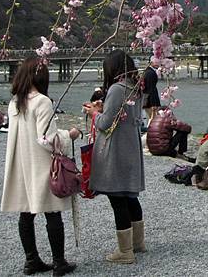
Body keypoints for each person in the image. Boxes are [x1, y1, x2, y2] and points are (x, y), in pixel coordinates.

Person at [0, 57, 80, 276]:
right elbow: (46, 139)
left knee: (26, 214)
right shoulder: (42, 101)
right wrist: (70, 135)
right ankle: (59, 262)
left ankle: (31, 260)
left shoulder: (16, 101)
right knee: (52, 213)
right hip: (41, 165)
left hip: (22, 164)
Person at [83, 50, 145, 265]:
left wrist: (94, 113)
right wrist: (103, 109)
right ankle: (138, 243)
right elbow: (123, 115)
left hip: (117, 149)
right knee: (130, 196)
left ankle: (125, 251)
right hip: (131, 147)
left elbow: (104, 123)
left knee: (117, 198)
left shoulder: (117, 89)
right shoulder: (136, 87)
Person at [142, 58, 161, 125]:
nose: (158, 64)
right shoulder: (151, 73)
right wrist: (154, 103)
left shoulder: (147, 71)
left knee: (152, 117)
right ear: (151, 63)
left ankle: (150, 131)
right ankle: (150, 132)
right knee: (153, 118)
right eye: (156, 63)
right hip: (150, 99)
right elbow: (151, 89)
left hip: (147, 98)